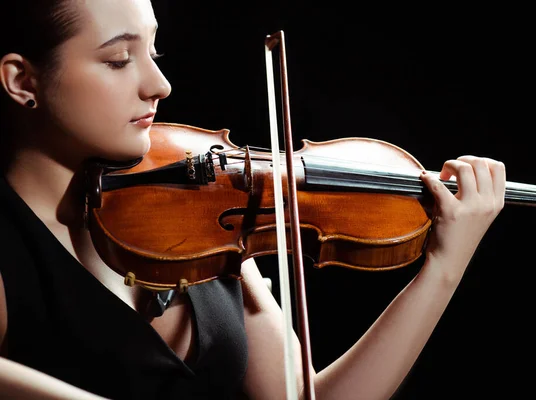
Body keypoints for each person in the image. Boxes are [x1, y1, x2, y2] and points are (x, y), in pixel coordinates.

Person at [0, 0, 506, 399]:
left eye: (154, 54)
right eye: (118, 60)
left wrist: (444, 267)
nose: (160, 85)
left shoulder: (201, 210)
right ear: (23, 80)